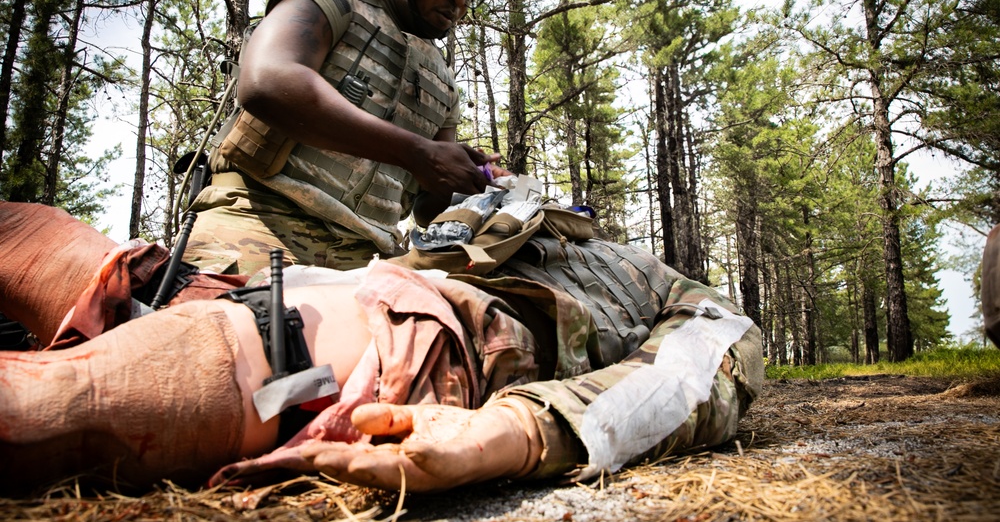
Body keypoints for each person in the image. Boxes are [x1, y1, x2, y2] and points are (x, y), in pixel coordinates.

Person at [0, 201, 764, 494]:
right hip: (284, 280)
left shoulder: (664, 285)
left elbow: (695, 372)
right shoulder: (509, 211)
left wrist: (518, 430)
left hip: (403, 333)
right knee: (23, 231)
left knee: (47, 409)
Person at [182, 0, 509, 275]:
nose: (459, 2)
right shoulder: (332, 2)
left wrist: (473, 183)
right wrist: (417, 152)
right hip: (257, 221)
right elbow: (265, 82)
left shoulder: (444, 83)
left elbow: (426, 208)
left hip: (368, 258)